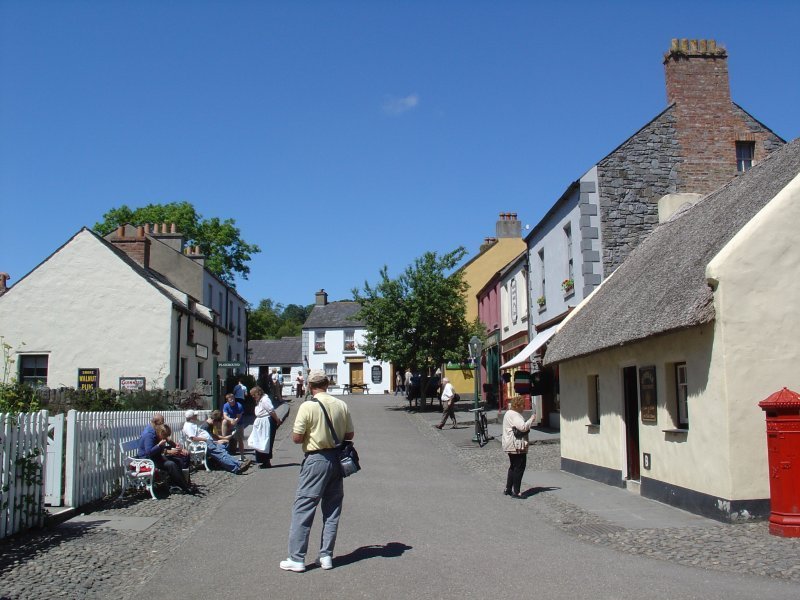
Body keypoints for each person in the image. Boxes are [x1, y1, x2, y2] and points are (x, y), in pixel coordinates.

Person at [280, 369, 354, 573]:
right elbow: (350, 433)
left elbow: (296, 437)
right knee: (332, 508)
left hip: (316, 459)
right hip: (337, 460)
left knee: (304, 507)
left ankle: (297, 558)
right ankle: (326, 555)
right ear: (327, 384)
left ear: (310, 386)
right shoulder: (341, 405)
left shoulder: (307, 406)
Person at [136, 414, 195, 494]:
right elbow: (148, 452)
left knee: (179, 460)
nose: (163, 424)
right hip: (147, 460)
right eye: (162, 422)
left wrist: (178, 448)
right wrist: (161, 447)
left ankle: (181, 483)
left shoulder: (158, 430)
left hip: (156, 456)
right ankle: (185, 487)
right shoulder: (149, 434)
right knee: (171, 464)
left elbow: (167, 439)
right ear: (155, 423)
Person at [183, 410, 251, 474]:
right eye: (195, 415)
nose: (196, 416)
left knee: (222, 452)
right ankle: (235, 468)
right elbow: (193, 438)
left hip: (207, 442)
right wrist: (206, 440)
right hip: (204, 443)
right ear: (191, 417)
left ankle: (238, 464)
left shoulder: (192, 424)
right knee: (221, 453)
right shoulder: (189, 426)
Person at [501, 396, 536, 498]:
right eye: (523, 406)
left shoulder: (508, 413)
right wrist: (531, 419)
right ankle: (517, 491)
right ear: (519, 405)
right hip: (516, 445)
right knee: (519, 467)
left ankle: (508, 489)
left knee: (513, 467)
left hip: (509, 444)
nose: (523, 408)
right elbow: (523, 427)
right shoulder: (515, 415)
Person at [249, 385, 283, 468]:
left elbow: (271, 411)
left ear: (258, 393)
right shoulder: (260, 400)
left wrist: (277, 420)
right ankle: (261, 460)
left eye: (254, 395)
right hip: (261, 421)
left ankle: (266, 461)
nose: (253, 397)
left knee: (266, 441)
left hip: (266, 422)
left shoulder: (265, 400)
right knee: (259, 440)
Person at [222, 393, 246, 460]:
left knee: (240, 439)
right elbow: (225, 415)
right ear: (227, 400)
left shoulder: (239, 406)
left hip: (238, 423)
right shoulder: (226, 405)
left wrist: (234, 422)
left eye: (233, 399)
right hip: (231, 421)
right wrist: (230, 420)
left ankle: (242, 455)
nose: (232, 401)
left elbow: (238, 418)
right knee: (224, 421)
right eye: (230, 400)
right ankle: (224, 437)